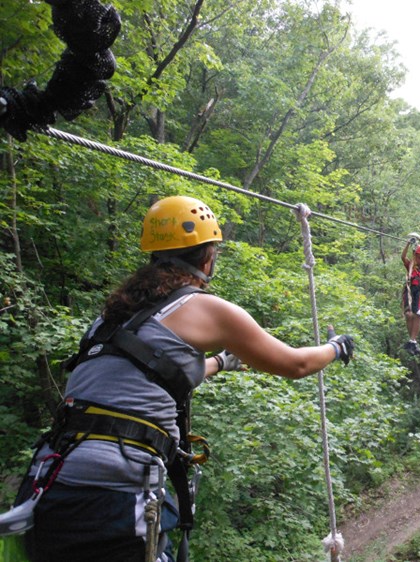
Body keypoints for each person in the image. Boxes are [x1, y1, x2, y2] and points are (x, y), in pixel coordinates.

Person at [14, 195, 354, 562]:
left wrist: (219, 364)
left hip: (48, 482)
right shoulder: (206, 308)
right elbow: (295, 365)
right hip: (111, 492)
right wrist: (336, 347)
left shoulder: (113, 315)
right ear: (208, 256)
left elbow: (150, 371)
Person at [401, 234, 420, 355]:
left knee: (417, 315)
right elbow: (403, 257)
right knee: (409, 315)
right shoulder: (411, 266)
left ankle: (413, 340)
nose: (419, 259)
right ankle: (411, 340)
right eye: (417, 257)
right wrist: (408, 243)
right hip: (409, 291)